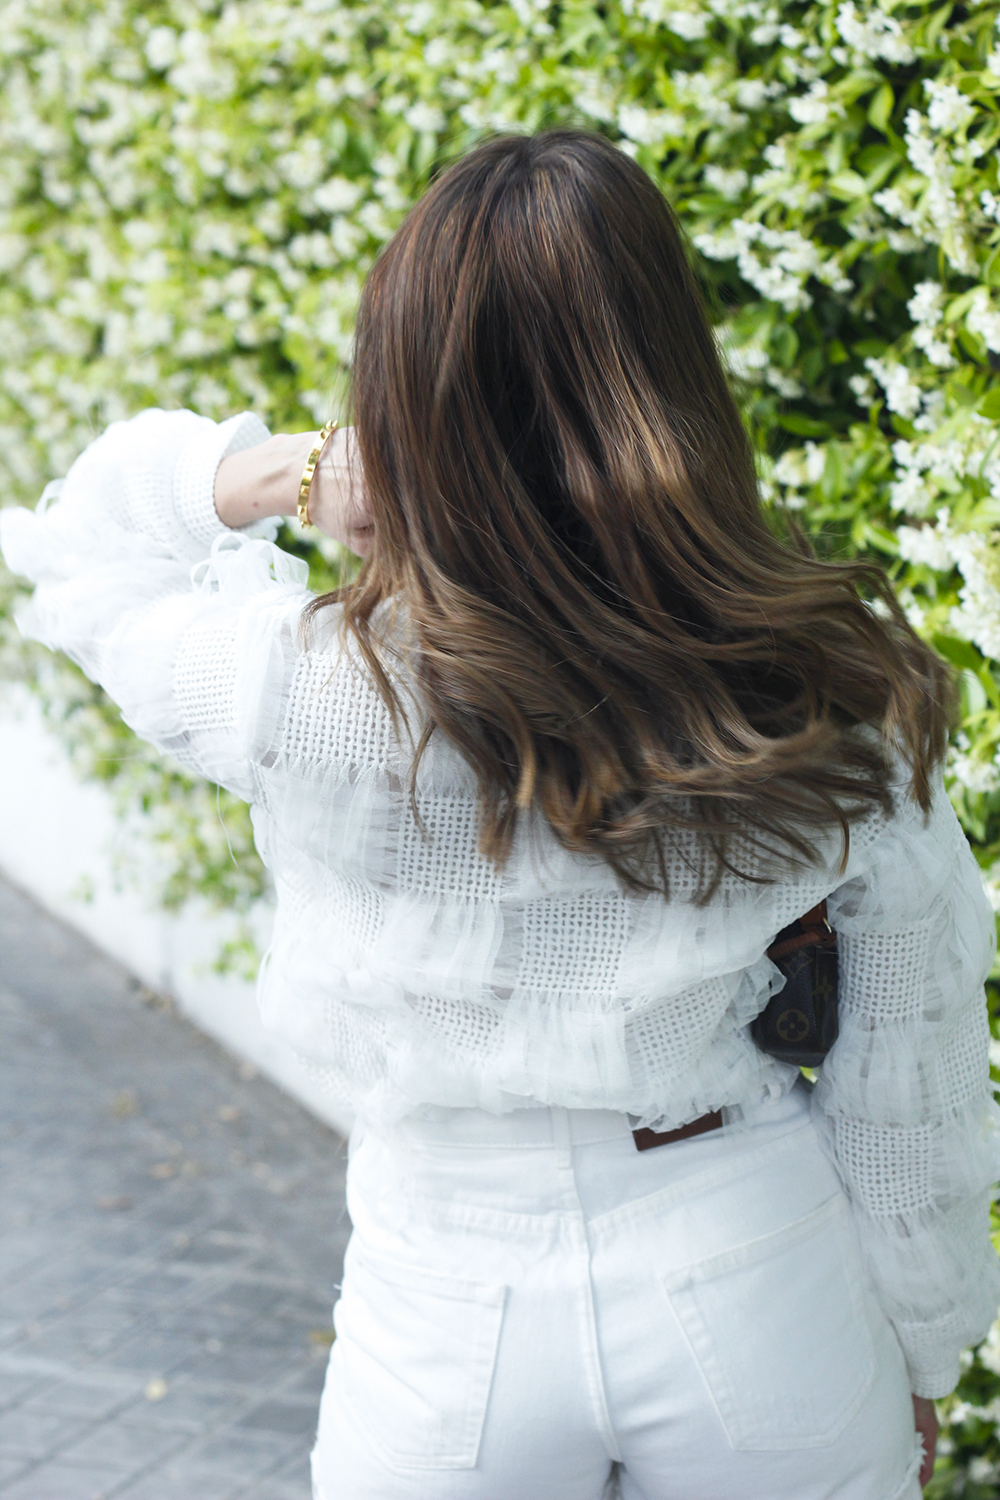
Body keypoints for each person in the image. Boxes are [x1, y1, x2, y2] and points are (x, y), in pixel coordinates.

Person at [2, 129, 998, 1500]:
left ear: (406, 393)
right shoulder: (827, 687)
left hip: (444, 1289)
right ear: (672, 376)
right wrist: (924, 1350)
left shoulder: (302, 687)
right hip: (749, 1260)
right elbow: (916, 1077)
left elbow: (72, 547)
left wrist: (302, 471)